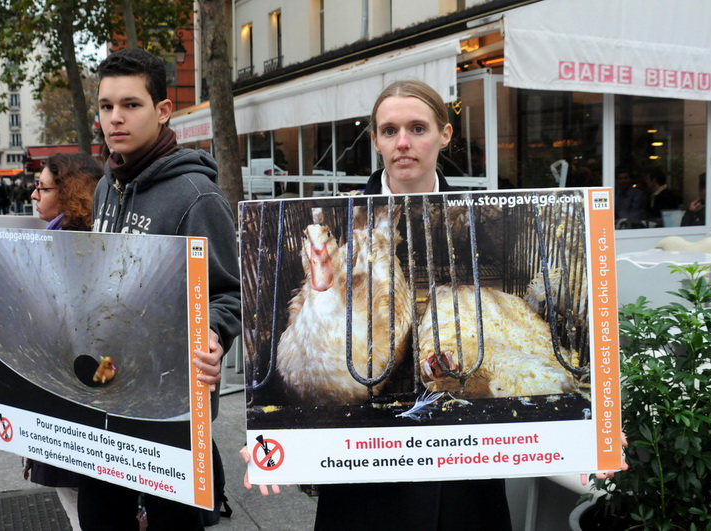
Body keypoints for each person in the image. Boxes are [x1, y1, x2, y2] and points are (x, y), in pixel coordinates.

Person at [241, 80, 628, 530]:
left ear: (445, 135)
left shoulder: (485, 218)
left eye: (417, 128)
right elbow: (279, 361)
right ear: (375, 140)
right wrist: (266, 440)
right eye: (389, 131)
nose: (403, 142)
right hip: (365, 486)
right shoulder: (340, 220)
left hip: (464, 488)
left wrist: (590, 439)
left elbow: (530, 406)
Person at [79, 47, 241, 531]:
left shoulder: (197, 195)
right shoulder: (107, 185)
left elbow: (230, 293)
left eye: (131, 104)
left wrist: (213, 333)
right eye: (107, 106)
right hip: (107, 393)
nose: (115, 118)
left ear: (163, 110)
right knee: (99, 518)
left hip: (170, 412)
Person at [0, 152, 104, 531]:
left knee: (83, 508)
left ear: (70, 194)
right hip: (64, 409)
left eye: (43, 187)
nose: (34, 194)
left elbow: (58, 337)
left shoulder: (67, 247)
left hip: (69, 413)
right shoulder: (59, 236)